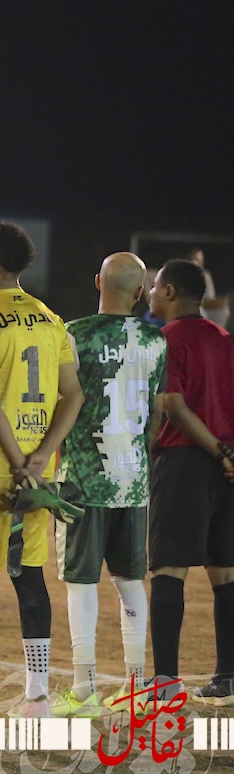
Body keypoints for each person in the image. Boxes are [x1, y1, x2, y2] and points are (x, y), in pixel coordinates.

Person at [0, 221, 83, 717]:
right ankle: (38, 694)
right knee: (29, 575)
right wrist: (39, 457)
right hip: (38, 470)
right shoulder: (52, 320)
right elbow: (74, 396)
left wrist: (12, 460)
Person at [51, 252, 167, 718]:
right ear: (140, 292)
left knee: (81, 583)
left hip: (83, 477)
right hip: (133, 476)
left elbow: (62, 400)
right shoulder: (156, 340)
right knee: (130, 580)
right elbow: (157, 412)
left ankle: (84, 690)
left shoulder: (73, 334)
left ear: (97, 281)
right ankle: (137, 685)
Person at [144, 259, 234, 705]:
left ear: (170, 292)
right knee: (226, 571)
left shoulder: (168, 338)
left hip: (185, 462)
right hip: (227, 465)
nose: (150, 293)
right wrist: (227, 454)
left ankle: (165, 682)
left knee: (168, 568)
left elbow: (174, 406)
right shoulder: (224, 338)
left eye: (155, 286)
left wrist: (215, 450)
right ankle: (228, 678)